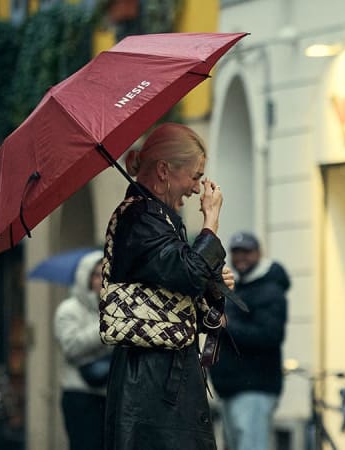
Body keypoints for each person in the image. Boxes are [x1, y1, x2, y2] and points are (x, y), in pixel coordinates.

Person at [101, 123, 235, 450]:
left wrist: (213, 283)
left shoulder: (157, 218)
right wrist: (211, 222)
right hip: (150, 384)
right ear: (164, 170)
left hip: (158, 380)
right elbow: (187, 274)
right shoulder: (140, 218)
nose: (197, 188)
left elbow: (175, 288)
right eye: (194, 176)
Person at [210, 231, 289, 450]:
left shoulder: (270, 290)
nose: (240, 257)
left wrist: (227, 324)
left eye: (246, 252)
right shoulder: (240, 286)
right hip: (231, 389)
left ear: (259, 253)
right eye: (236, 252)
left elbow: (270, 336)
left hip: (254, 390)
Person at [53, 249, 111, 450]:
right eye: (96, 275)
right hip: (79, 393)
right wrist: (105, 327)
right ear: (85, 277)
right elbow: (71, 347)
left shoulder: (112, 308)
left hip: (107, 393)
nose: (101, 280)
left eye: (106, 274)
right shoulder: (69, 309)